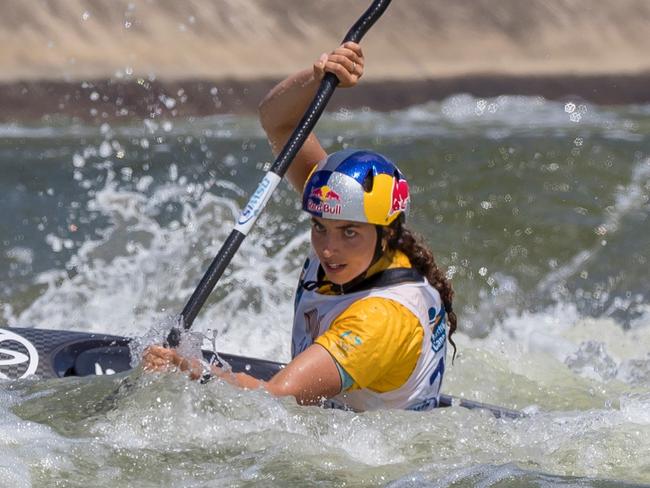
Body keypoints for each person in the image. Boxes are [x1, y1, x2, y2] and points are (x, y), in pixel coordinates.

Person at [143, 42, 457, 411]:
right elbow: (279, 121)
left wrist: (191, 369)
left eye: (348, 232)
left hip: (373, 462)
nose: (327, 248)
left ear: (386, 233)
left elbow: (273, 400)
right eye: (319, 227)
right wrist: (318, 75)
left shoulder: (381, 319)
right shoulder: (350, 222)